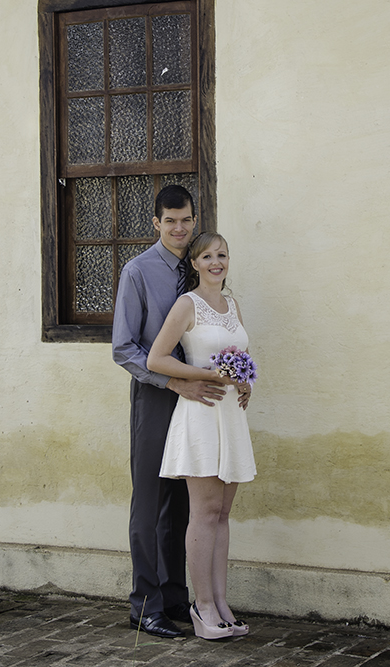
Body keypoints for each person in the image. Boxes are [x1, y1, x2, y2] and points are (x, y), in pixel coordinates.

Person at [112, 185, 243, 638]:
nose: (179, 228)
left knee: (186, 505)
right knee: (151, 501)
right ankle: (145, 606)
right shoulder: (138, 271)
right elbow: (124, 347)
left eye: (186, 219)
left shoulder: (198, 267)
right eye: (170, 221)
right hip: (158, 394)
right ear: (156, 223)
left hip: (203, 401)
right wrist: (173, 382)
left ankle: (175, 597)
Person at [146, 232, 256, 640]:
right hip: (202, 415)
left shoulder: (232, 305)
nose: (216, 262)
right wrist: (206, 375)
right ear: (194, 263)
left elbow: (240, 353)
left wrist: (245, 380)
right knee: (205, 512)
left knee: (223, 514)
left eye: (222, 255)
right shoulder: (187, 304)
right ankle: (202, 605)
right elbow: (157, 358)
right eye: (207, 256)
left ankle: (222, 602)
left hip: (230, 416)